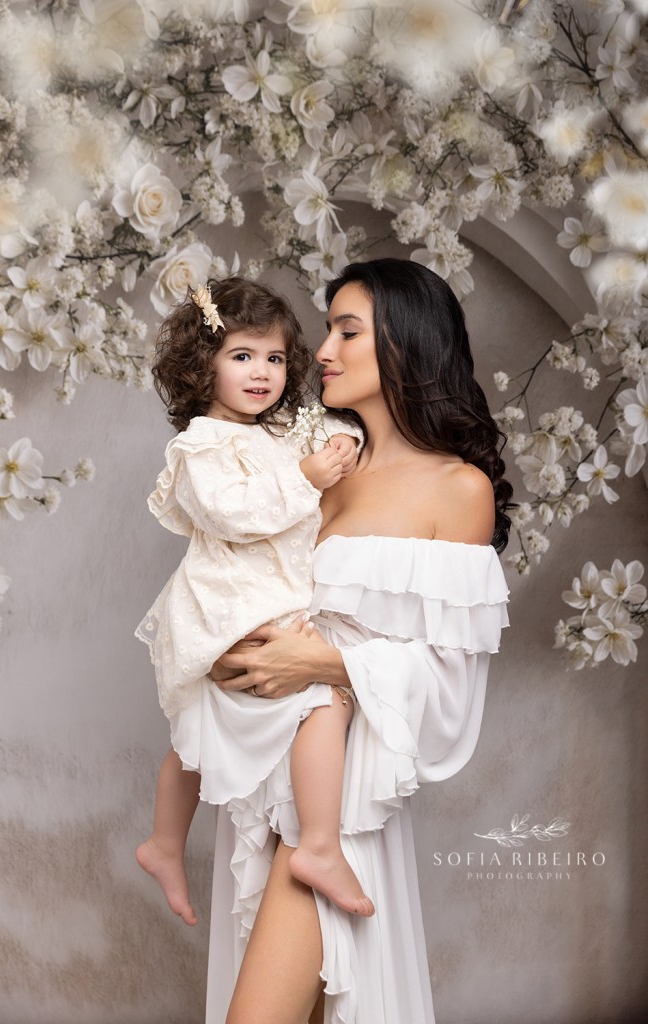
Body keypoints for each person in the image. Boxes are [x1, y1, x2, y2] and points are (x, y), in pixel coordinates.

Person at [206, 258, 513, 1024]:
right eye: (328, 329)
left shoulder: (458, 490)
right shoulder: (316, 474)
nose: (321, 351)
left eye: (348, 331)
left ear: (406, 347)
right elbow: (233, 594)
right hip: (261, 781)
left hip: (344, 805)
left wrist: (324, 661)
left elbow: (449, 696)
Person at [135, 276, 376, 931]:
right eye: (241, 356)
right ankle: (317, 847)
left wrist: (341, 441)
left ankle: (162, 844)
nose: (261, 372)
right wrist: (305, 478)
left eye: (273, 358)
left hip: (267, 597)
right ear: (200, 365)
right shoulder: (198, 448)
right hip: (229, 603)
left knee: (197, 731)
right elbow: (230, 513)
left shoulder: (278, 434)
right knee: (320, 701)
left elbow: (322, 428)